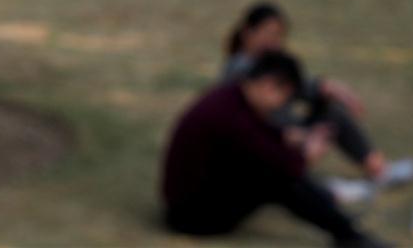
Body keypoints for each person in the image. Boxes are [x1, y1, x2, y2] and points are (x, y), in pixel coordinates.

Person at [161, 51, 388, 248]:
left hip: (187, 205)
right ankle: (348, 233)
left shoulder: (232, 97)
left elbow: (263, 139)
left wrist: (293, 139)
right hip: (192, 217)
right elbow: (285, 165)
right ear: (270, 85)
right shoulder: (234, 115)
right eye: (285, 97)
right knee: (279, 182)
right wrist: (308, 153)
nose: (282, 105)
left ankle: (344, 227)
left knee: (277, 177)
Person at [222, 2, 388, 181]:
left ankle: (377, 167)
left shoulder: (270, 66)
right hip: (263, 143)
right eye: (269, 34)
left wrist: (340, 91)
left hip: (282, 135)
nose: (274, 41)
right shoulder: (241, 70)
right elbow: (251, 128)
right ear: (248, 33)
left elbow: (305, 87)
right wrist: (301, 138)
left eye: (278, 35)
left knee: (330, 112)